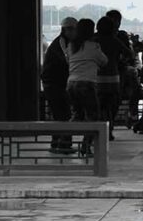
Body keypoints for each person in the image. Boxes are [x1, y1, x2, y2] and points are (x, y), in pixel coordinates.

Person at [65, 18, 107, 155]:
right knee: (93, 117)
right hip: (87, 84)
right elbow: (104, 61)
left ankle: (63, 139)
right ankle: (85, 145)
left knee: (77, 115)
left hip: (71, 84)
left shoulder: (71, 46)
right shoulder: (93, 46)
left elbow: (68, 61)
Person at [41, 17, 78, 154]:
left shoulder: (62, 42)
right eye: (74, 29)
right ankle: (63, 145)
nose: (76, 32)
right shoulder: (62, 43)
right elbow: (67, 62)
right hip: (55, 84)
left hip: (53, 83)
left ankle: (57, 143)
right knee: (63, 114)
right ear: (66, 30)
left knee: (60, 115)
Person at [95, 15, 133, 141]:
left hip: (97, 78)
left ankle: (99, 130)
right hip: (114, 78)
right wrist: (118, 60)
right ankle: (109, 129)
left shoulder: (94, 39)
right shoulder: (114, 40)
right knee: (111, 106)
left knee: (99, 106)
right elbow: (129, 53)